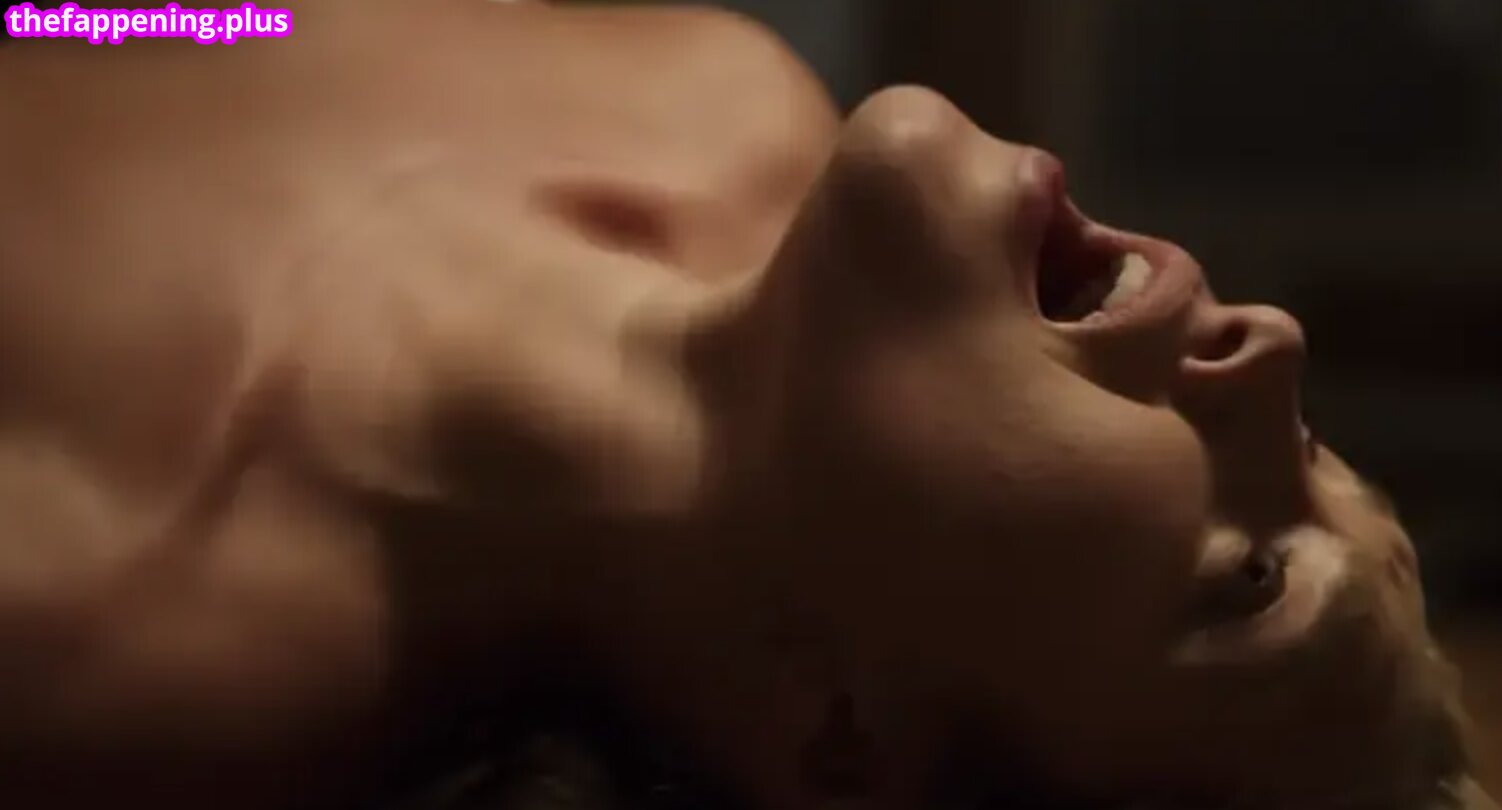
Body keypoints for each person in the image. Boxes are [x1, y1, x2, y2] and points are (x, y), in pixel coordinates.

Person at [0, 2, 1493, 809]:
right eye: (1320, 457)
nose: (1272, 346)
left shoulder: (103, 648)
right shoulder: (708, 88)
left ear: (842, 743)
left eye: (1249, 578)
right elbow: (120, 23)